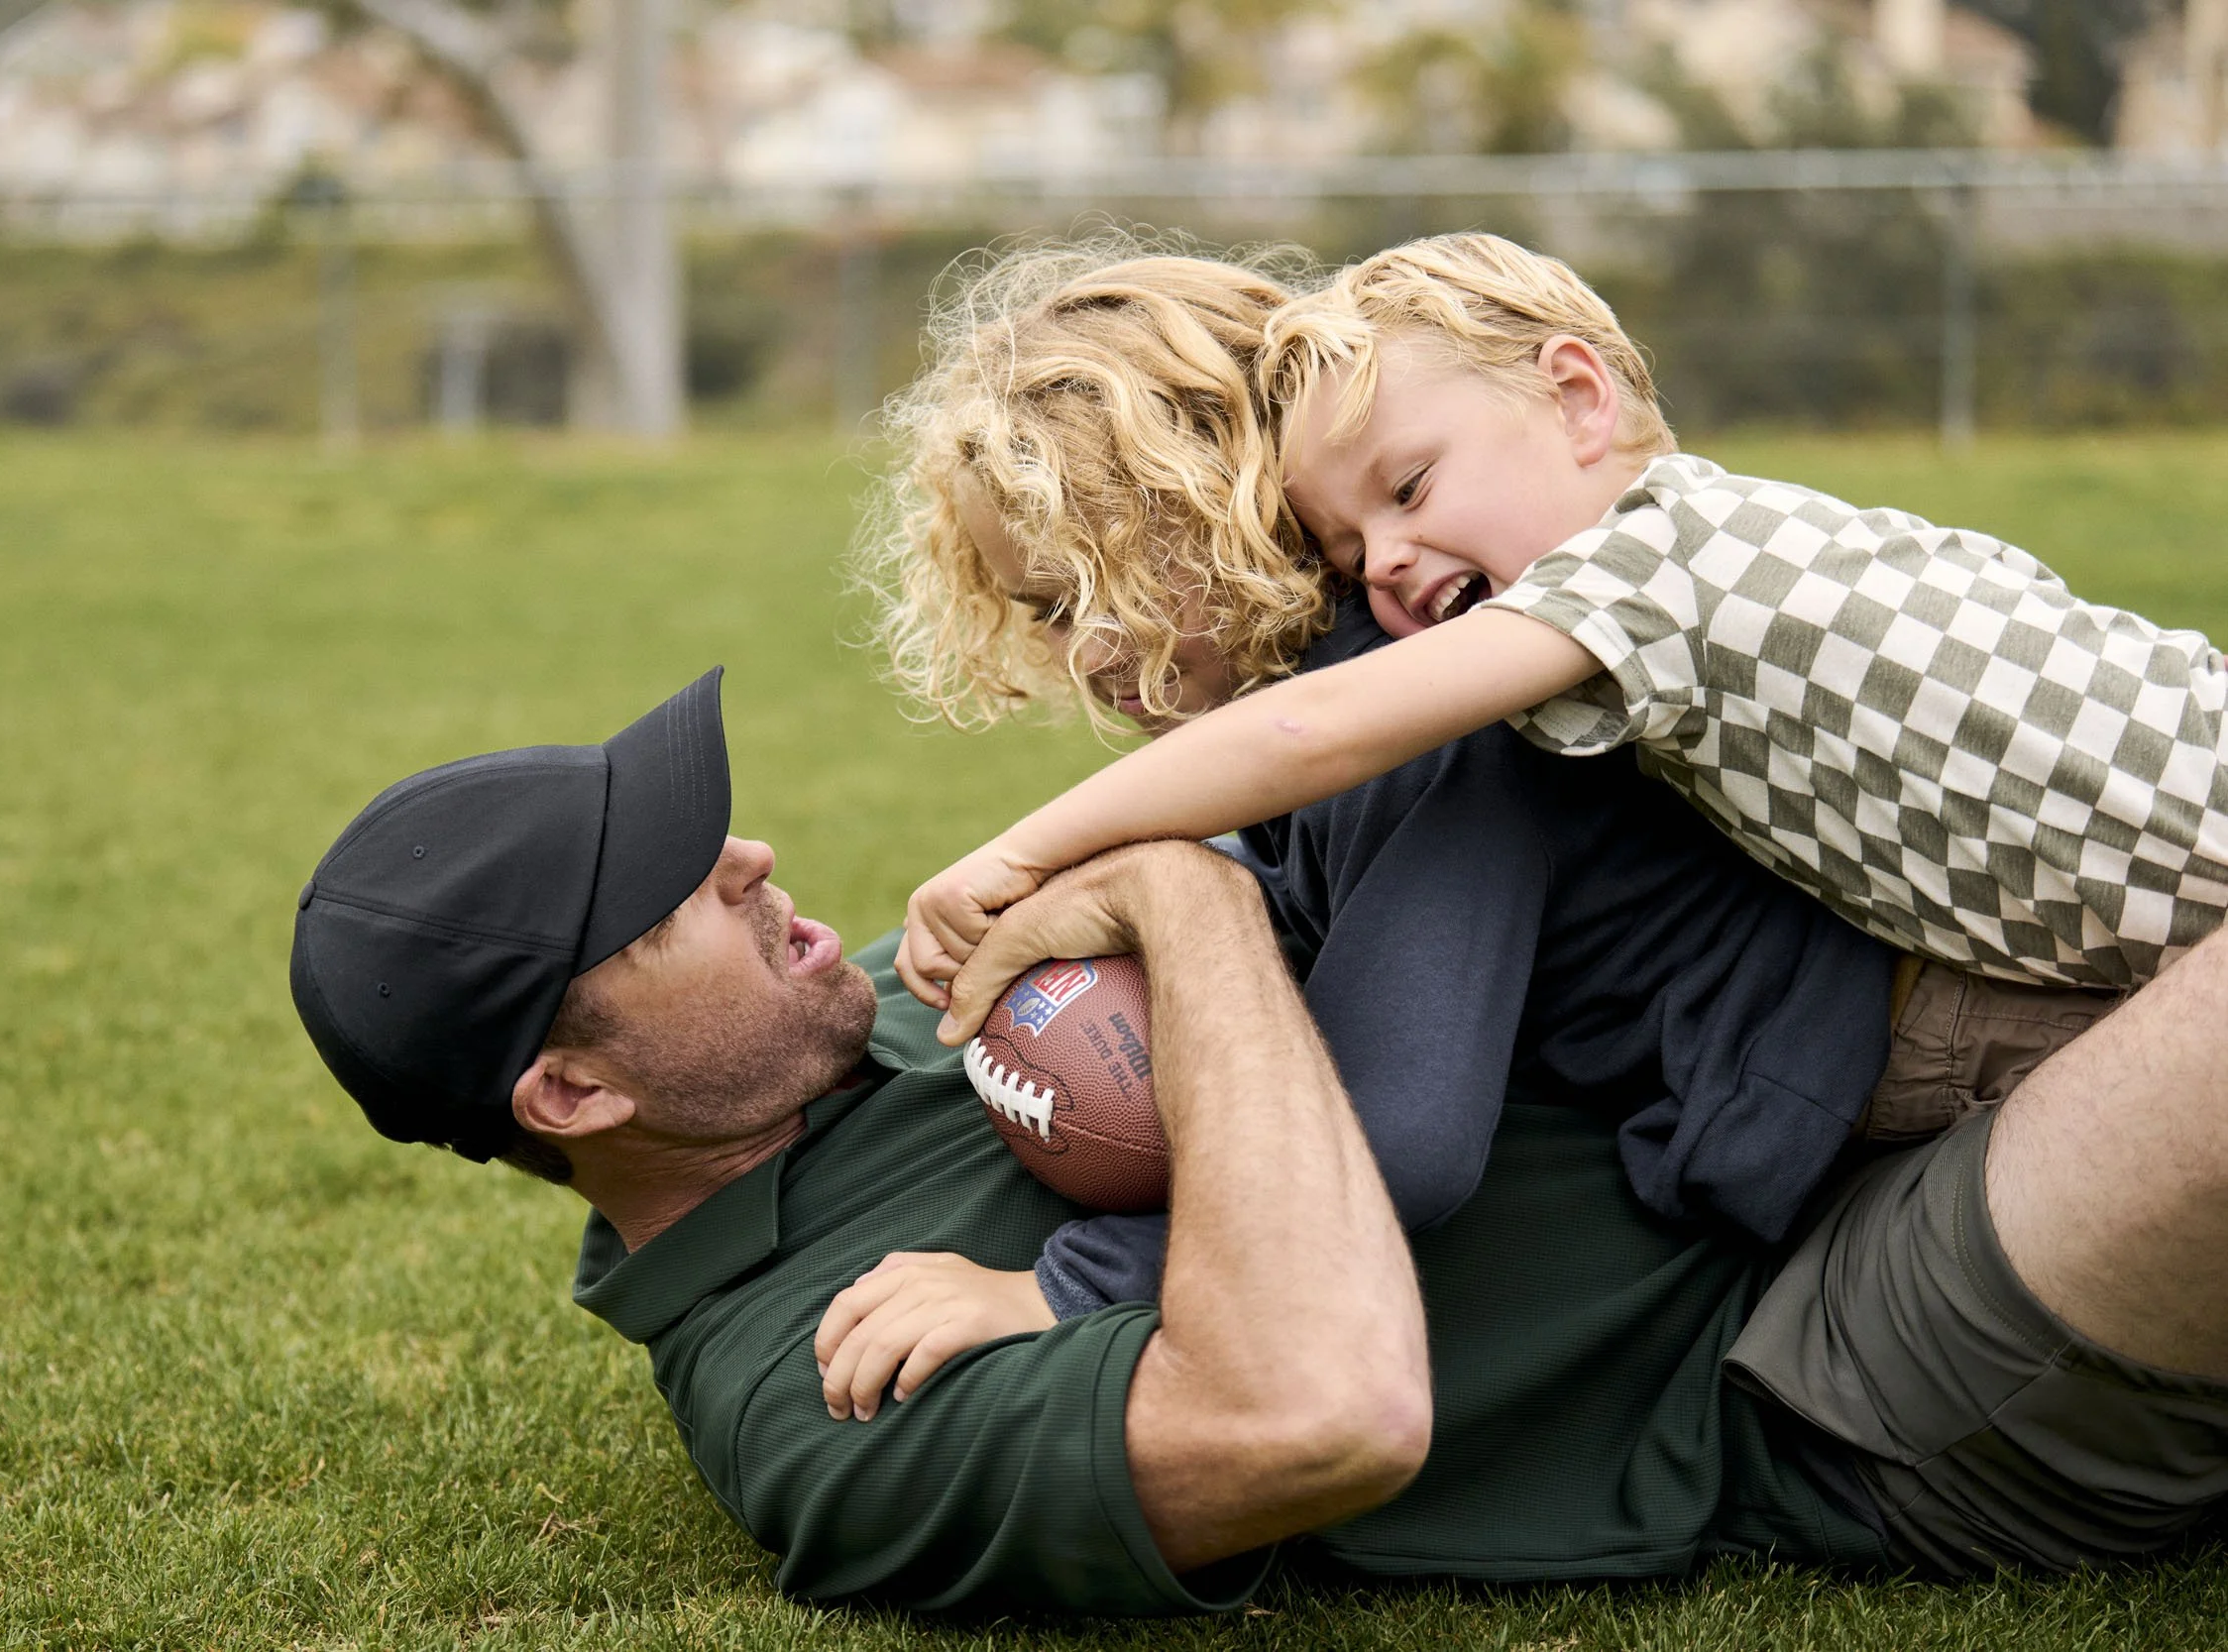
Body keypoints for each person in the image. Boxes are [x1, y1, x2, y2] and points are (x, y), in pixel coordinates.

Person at [290, 669, 2228, 1605]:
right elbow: (1319, 1410)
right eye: (672, 894)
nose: (751, 853)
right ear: (570, 1092)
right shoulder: (821, 1398)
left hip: (1788, 1085)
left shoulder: (870, 999)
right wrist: (1188, 905)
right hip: (1837, 1362)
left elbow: (1333, 832)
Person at [894, 232, 2228, 1013]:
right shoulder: (1626, 593)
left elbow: (1311, 727)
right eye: (1351, 545)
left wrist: (1020, 851)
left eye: (1411, 488)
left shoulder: (1648, 564)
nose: (1390, 564)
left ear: (1580, 399)